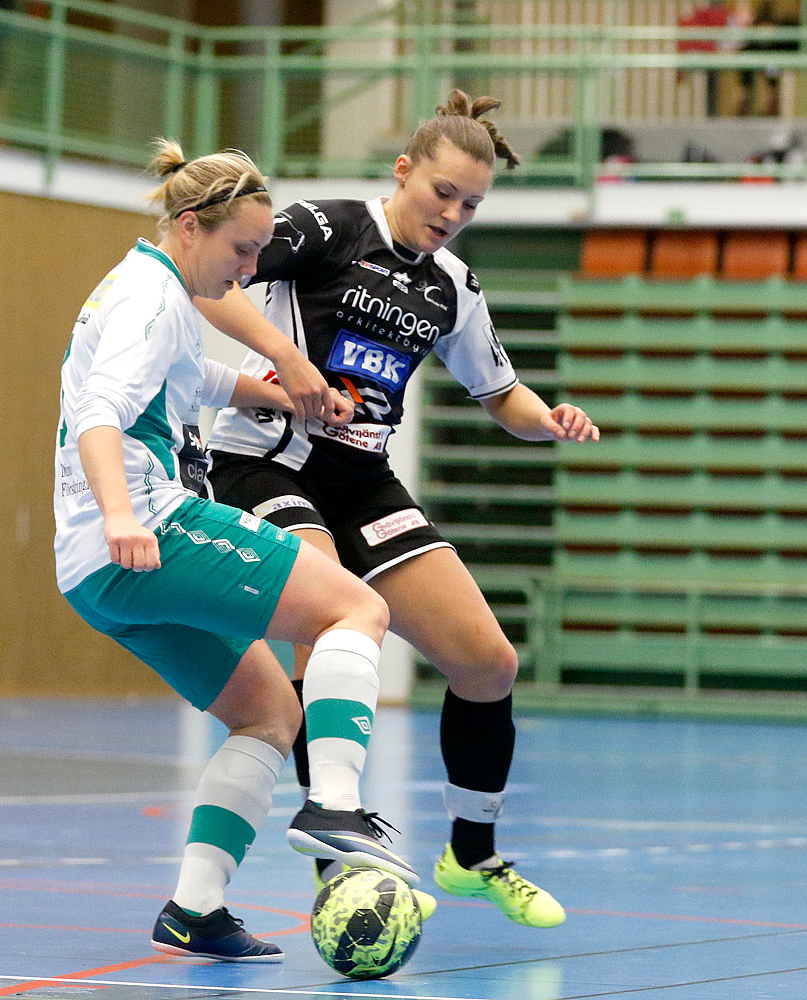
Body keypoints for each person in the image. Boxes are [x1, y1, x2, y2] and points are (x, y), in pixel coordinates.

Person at [198, 90, 599, 930]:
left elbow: (502, 392)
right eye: (441, 194)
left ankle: (472, 853)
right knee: (332, 619)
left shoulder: (453, 285)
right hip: (264, 457)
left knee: (488, 662)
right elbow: (210, 279)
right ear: (404, 171)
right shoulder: (325, 227)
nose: (452, 214)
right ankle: (333, 848)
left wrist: (548, 420)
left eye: (471, 205)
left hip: (362, 479)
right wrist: (283, 361)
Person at [54, 140, 421, 963]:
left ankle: (196, 907)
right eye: (243, 251)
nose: (251, 269)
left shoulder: (155, 291)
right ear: (191, 227)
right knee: (357, 605)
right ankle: (332, 804)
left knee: (267, 713)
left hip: (94, 575)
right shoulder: (151, 302)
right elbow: (101, 415)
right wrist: (121, 511)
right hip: (150, 532)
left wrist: (288, 392)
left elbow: (191, 380)